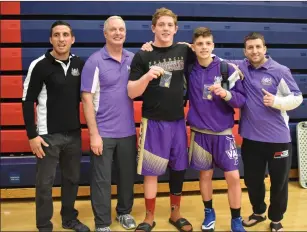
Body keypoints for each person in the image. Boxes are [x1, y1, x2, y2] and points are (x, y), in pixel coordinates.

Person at [127, 7, 194, 232]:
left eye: (169, 25)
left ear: (176, 29)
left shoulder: (185, 51)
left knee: (178, 169)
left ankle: (176, 213)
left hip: (177, 121)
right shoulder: (143, 55)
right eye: (161, 25)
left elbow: (207, 55)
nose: (165, 29)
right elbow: (131, 92)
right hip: (153, 122)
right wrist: (146, 76)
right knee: (151, 171)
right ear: (153, 27)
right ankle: (149, 217)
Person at [229, 32, 303, 232]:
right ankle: (258, 212)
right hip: (251, 139)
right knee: (252, 181)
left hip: (278, 139)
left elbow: (297, 97)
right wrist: (188, 47)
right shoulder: (241, 67)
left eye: (258, 47)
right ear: (245, 51)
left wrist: (277, 102)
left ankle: (276, 218)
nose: (254, 51)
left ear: (265, 48)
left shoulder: (279, 70)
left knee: (279, 183)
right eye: (250, 47)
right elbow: (213, 59)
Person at [22, 20, 90, 232]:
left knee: (72, 180)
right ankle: (44, 225)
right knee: (45, 184)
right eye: (57, 35)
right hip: (47, 137)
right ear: (51, 39)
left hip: (73, 135)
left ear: (72, 39)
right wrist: (32, 136)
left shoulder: (80, 64)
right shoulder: (39, 65)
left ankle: (69, 218)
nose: (61, 39)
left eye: (65, 35)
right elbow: (26, 101)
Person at [186, 27, 246, 232]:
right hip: (200, 134)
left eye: (207, 43)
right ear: (194, 47)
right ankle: (209, 213)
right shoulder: (190, 68)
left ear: (213, 45)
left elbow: (240, 100)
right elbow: (173, 50)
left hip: (223, 134)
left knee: (234, 177)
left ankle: (236, 219)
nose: (204, 47)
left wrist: (225, 94)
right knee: (205, 176)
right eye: (199, 44)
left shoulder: (225, 69)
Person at [81, 16, 137, 232]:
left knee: (126, 177)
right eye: (113, 29)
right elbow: (87, 99)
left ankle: (124, 212)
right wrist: (94, 135)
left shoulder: (133, 59)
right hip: (103, 132)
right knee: (101, 181)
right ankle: (102, 223)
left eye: (121, 29)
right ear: (105, 33)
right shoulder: (94, 61)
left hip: (127, 132)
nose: (117, 33)